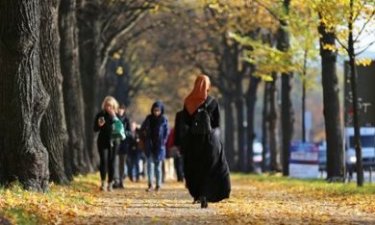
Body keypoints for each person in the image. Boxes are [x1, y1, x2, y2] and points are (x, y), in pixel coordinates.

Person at [182, 74, 231, 208]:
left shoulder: (188, 102)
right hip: (210, 142)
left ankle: (197, 194)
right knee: (211, 167)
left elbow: (185, 122)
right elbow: (217, 123)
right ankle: (206, 194)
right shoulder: (213, 102)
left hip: (194, 141)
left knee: (195, 168)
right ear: (208, 86)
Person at [94, 96, 125, 191]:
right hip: (103, 141)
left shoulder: (117, 116)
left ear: (114, 106)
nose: (108, 108)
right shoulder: (101, 115)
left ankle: (110, 183)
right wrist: (99, 125)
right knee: (103, 161)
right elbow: (95, 129)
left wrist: (114, 117)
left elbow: (121, 127)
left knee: (112, 162)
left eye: (111, 106)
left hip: (114, 141)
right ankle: (103, 182)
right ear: (104, 105)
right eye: (107, 105)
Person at [141, 101, 168, 192]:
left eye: (158, 110)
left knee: (158, 167)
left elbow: (166, 133)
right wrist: (144, 137)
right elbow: (142, 129)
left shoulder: (164, 119)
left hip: (159, 147)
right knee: (150, 166)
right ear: (152, 110)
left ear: (161, 111)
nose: (156, 112)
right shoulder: (148, 119)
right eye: (155, 110)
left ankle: (158, 185)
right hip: (149, 145)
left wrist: (163, 142)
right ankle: (150, 185)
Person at [114, 103, 131, 189]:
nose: (120, 110)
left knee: (122, 164)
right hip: (115, 144)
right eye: (119, 109)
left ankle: (121, 180)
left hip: (124, 144)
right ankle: (116, 181)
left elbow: (130, 132)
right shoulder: (114, 118)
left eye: (122, 109)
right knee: (115, 163)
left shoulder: (127, 120)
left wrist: (124, 133)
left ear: (124, 110)